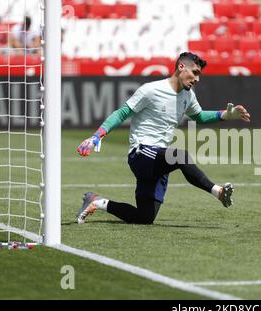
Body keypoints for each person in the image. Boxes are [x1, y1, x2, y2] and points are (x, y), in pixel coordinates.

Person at [75, 52, 251, 225]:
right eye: (195, 73)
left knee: (144, 218)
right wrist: (97, 136)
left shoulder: (188, 95)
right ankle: (218, 191)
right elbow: (122, 113)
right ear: (181, 67)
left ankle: (96, 202)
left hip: (158, 161)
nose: (197, 79)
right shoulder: (150, 90)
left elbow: (199, 116)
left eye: (199, 75)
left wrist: (226, 115)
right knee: (180, 156)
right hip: (141, 153)